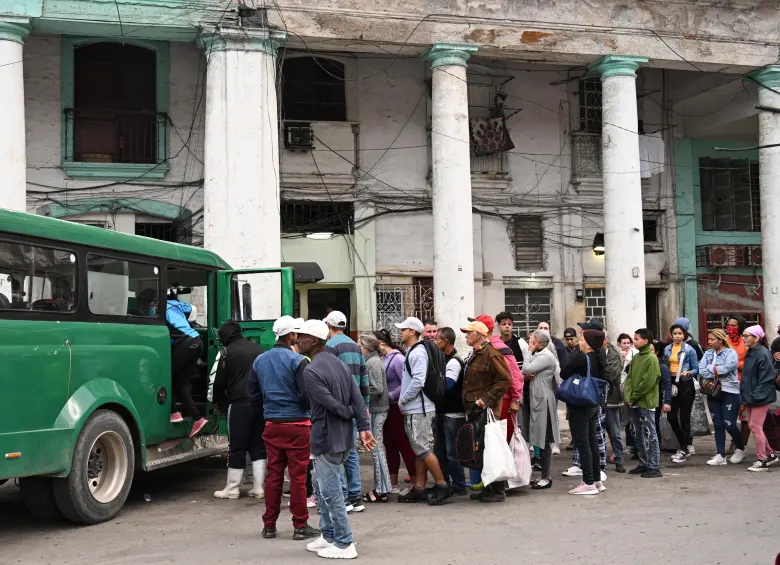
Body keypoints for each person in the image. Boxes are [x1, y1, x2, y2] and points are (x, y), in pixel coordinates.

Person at [297, 320, 377, 560]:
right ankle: (329, 535)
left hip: (327, 437)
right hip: (343, 436)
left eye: (301, 336)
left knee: (330, 492)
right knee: (322, 488)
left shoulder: (311, 370)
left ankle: (344, 542)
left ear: (313, 340)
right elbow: (358, 397)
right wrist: (362, 424)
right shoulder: (338, 364)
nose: (297, 339)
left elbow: (330, 403)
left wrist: (351, 415)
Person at [253, 316, 319, 541]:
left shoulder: (259, 361)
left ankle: (269, 525)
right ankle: (300, 526)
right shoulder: (299, 360)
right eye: (296, 333)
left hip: (272, 424)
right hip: (298, 425)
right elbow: (305, 395)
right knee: (298, 477)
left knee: (273, 476)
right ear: (291, 335)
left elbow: (253, 395)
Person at [395, 317, 451, 505]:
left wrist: (403, 399)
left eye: (403, 329)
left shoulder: (417, 353)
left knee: (423, 448)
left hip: (418, 408)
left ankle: (442, 484)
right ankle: (419, 487)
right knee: (420, 447)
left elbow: (419, 380)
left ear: (412, 331)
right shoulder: (414, 350)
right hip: (418, 408)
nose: (400, 332)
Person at [212, 320, 267, 500]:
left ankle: (232, 488)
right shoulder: (258, 350)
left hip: (238, 403)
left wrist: (216, 402)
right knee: (258, 445)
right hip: (259, 405)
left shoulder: (226, 352)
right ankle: (259, 488)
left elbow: (217, 381)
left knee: (236, 446)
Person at [460, 320, 511, 502]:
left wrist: (485, 400)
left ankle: (497, 491)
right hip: (474, 408)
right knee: (481, 448)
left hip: (485, 409)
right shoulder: (477, 353)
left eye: (469, 332)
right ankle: (489, 488)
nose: (466, 335)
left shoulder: (491, 354)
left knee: (490, 449)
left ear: (480, 335)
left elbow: (505, 380)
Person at [324, 311, 367, 513]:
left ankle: (343, 497)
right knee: (351, 452)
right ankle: (356, 496)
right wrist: (363, 405)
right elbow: (364, 378)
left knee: (337, 451)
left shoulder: (331, 347)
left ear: (329, 326)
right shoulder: (355, 346)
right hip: (355, 405)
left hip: (339, 406)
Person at [561, 329, 605, 495]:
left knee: (583, 442)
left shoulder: (581, 356)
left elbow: (564, 372)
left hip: (579, 403)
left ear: (588, 342)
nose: (579, 340)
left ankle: (588, 482)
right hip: (593, 402)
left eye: (582, 338)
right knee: (592, 441)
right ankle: (596, 479)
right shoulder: (599, 357)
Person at [374, 329, 417, 493]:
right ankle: (393, 482)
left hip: (396, 407)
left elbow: (406, 382)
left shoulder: (398, 358)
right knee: (388, 444)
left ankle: (414, 480)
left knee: (402, 443)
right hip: (385, 407)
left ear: (379, 343)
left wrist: (390, 395)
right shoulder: (382, 358)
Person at [520, 330, 561, 490]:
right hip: (537, 399)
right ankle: (543, 475)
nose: (529, 342)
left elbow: (526, 369)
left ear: (538, 342)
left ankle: (546, 476)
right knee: (539, 437)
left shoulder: (545, 356)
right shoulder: (540, 354)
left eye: (531, 340)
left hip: (543, 400)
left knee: (544, 438)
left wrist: (528, 352)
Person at [472, 315, 523, 441]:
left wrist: (515, 399)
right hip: (488, 401)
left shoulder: (500, 349)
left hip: (503, 402)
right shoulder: (482, 348)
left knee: (502, 443)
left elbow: (514, 375)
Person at [699, 329, 745, 466]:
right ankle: (720, 455)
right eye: (709, 339)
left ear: (720, 340)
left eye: (712, 339)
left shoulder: (731, 353)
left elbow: (728, 369)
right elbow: (701, 370)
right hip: (712, 391)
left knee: (729, 423)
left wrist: (711, 368)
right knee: (717, 424)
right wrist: (715, 368)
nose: (709, 342)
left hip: (730, 391)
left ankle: (741, 448)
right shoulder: (708, 353)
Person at [166, 290, 208, 437]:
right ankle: (197, 418)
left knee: (167, 378)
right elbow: (194, 309)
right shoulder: (176, 304)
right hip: (197, 341)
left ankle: (174, 411)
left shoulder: (158, 308)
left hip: (185, 343)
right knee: (183, 382)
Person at [433, 327, 468, 495]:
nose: (434, 341)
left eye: (437, 339)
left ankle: (459, 484)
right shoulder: (442, 358)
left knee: (451, 452)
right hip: (441, 412)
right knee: (440, 451)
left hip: (453, 414)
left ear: (446, 341)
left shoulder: (454, 361)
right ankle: (445, 482)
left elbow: (447, 385)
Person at [624, 328, 662, 478]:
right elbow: (630, 378)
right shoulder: (637, 358)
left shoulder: (651, 359)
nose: (634, 341)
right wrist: (628, 396)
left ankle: (654, 466)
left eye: (637, 338)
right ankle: (643, 462)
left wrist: (634, 396)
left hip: (646, 401)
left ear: (646, 341)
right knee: (637, 433)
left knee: (650, 434)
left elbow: (649, 382)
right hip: (634, 401)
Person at [740, 325, 779, 471]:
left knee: (756, 427)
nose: (743, 338)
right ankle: (770, 455)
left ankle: (762, 460)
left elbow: (767, 378)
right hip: (752, 396)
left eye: (746, 335)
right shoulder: (751, 352)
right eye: (743, 335)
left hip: (759, 397)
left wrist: (755, 396)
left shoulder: (762, 353)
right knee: (753, 426)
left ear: (756, 338)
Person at [358, 334, 391, 503]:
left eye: (360, 346)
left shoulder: (373, 362)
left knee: (377, 448)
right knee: (377, 448)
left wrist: (358, 391)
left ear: (366, 348)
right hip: (378, 408)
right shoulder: (372, 361)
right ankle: (382, 488)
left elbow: (377, 388)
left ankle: (381, 489)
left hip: (378, 409)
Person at [664, 323, 700, 464]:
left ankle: (684, 448)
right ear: (671, 335)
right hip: (671, 382)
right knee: (671, 417)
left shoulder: (689, 350)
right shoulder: (667, 349)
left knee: (685, 417)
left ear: (684, 335)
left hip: (685, 383)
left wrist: (689, 373)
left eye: (680, 333)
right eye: (675, 334)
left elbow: (696, 368)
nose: (677, 336)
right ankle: (683, 443)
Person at [726, 314, 750, 457]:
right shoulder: (724, 340)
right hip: (727, 384)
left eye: (734, 325)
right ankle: (735, 439)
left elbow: (749, 363)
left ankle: (741, 445)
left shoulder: (745, 342)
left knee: (745, 417)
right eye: (729, 325)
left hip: (743, 384)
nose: (731, 328)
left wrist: (735, 365)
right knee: (728, 417)